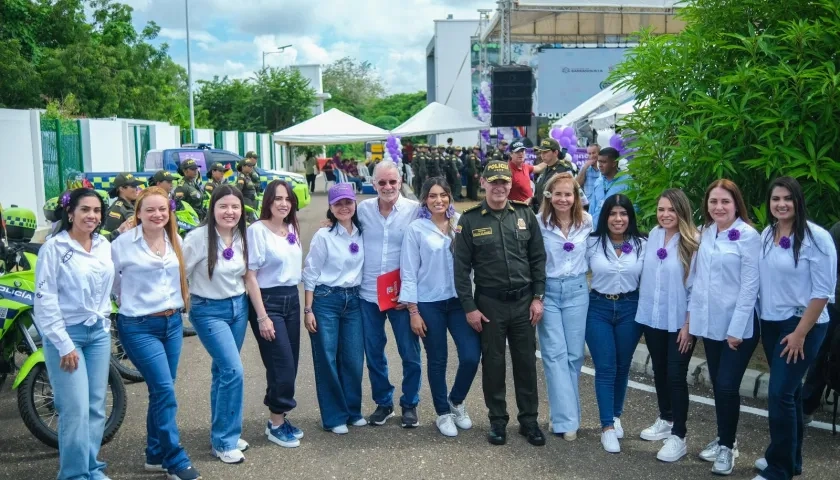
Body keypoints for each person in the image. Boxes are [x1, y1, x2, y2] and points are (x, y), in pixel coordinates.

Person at [453, 160, 547, 447]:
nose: (498, 187)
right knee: (493, 364)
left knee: (525, 364)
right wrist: (469, 307)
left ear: (510, 184)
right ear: (483, 183)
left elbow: (537, 259)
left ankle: (529, 421)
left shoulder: (525, 214)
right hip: (489, 305)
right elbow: (460, 269)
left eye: (503, 182)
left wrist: (538, 297)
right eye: (493, 181)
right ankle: (497, 421)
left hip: (523, 303)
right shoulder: (469, 220)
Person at [111, 186, 201, 480]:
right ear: (138, 213)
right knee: (164, 390)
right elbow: (111, 284)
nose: (157, 214)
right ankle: (175, 459)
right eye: (149, 209)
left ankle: (154, 454)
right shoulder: (122, 244)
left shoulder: (174, 239)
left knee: (160, 391)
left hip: (172, 323)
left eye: (162, 209)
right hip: (138, 326)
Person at [753, 177, 836, 480]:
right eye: (776, 199)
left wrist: (801, 332)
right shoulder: (766, 234)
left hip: (804, 324)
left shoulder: (818, 238)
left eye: (787, 198)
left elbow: (823, 291)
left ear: (798, 201)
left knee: (780, 395)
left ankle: (779, 469)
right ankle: (791, 459)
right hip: (773, 323)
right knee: (790, 391)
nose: (781, 204)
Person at [34, 188, 114, 480]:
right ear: (70, 213)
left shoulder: (104, 244)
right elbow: (45, 299)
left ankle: (90, 467)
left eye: (96, 211)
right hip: (66, 337)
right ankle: (73, 475)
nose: (92, 216)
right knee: (74, 409)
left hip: (99, 334)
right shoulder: (54, 248)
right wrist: (64, 344)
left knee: (95, 407)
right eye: (85, 210)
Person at [690, 179, 761, 475]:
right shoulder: (705, 233)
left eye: (725, 202)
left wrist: (736, 328)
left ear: (736, 204)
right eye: (713, 202)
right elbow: (697, 280)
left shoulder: (747, 235)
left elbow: (750, 287)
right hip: (710, 325)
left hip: (738, 328)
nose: (718, 207)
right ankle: (723, 436)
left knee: (728, 385)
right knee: (719, 385)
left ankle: (727, 448)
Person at [400, 177, 481, 437]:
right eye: (432, 196)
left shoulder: (461, 222)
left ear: (449, 196)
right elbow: (409, 272)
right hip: (429, 303)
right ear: (424, 199)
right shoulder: (416, 229)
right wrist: (413, 311)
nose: (439, 200)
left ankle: (455, 402)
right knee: (438, 360)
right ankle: (442, 413)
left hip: (459, 301)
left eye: (443, 195)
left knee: (470, 355)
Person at [182, 185, 251, 464]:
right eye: (223, 206)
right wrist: (180, 309)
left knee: (222, 371)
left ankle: (224, 433)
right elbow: (179, 274)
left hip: (239, 307)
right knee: (233, 370)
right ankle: (224, 441)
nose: (229, 212)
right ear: (212, 208)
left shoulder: (243, 236)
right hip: (209, 310)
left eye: (235, 207)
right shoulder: (198, 238)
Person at [635, 189, 700, 462]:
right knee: (659, 370)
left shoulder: (694, 242)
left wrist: (687, 325)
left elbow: (696, 288)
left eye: (671, 210)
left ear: (682, 211)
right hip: (654, 317)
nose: (665, 215)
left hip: (680, 321)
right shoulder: (654, 235)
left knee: (675, 375)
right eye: (661, 209)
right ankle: (666, 418)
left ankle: (679, 436)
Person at [356, 160, 423, 427]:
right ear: (374, 184)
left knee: (410, 353)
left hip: (400, 296)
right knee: (374, 353)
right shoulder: (362, 210)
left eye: (392, 182)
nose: (387, 187)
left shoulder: (415, 210)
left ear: (400, 181)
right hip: (368, 294)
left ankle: (410, 404)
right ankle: (384, 403)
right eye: (382, 182)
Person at [244, 181, 305, 448]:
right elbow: (250, 276)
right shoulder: (257, 230)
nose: (283, 203)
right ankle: (275, 423)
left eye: (287, 199)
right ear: (267, 201)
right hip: (268, 301)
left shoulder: (291, 228)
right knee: (282, 366)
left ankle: (278, 416)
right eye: (277, 198)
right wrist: (262, 316)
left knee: (289, 364)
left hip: (291, 297)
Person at [585, 193, 647, 454]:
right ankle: (607, 426)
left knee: (623, 366)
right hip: (598, 308)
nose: (618, 219)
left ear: (630, 217)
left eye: (623, 214)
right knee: (606, 367)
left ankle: (616, 415)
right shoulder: (592, 242)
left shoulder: (643, 243)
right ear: (605, 216)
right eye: (613, 213)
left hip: (630, 308)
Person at [302, 183, 366, 434]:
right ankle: (334, 416)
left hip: (354, 300)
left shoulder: (363, 232)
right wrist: (308, 310)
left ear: (355, 204)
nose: (344, 207)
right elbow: (310, 273)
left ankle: (353, 411)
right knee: (327, 358)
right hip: (326, 299)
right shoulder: (324, 236)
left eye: (348, 202)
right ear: (330, 207)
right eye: (338, 203)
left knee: (352, 358)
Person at [536, 172, 593, 440]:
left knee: (573, 356)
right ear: (549, 196)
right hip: (548, 290)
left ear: (575, 197)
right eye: (557, 193)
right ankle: (568, 421)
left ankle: (561, 414)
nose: (563, 199)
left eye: (568, 194)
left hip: (578, 290)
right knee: (554, 354)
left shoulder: (587, 223)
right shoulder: (538, 223)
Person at [801, 220, 840, 423]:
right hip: (835, 305)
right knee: (820, 355)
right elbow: (829, 269)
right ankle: (806, 407)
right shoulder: (838, 229)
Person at [533, 138, 579, 211]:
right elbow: (540, 192)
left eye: (545, 152)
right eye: (541, 152)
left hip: (556, 213)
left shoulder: (564, 170)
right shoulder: (545, 170)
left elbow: (574, 192)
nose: (542, 155)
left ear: (555, 153)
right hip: (541, 212)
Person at [588, 147, 630, 223]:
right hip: (596, 230)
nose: (600, 165)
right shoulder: (598, 182)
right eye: (599, 162)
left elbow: (633, 210)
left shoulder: (627, 182)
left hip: (616, 229)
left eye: (603, 162)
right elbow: (592, 208)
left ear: (614, 163)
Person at [103, 172, 142, 240]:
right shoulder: (116, 210)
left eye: (136, 186)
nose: (136, 189)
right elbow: (111, 237)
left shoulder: (136, 205)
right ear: (121, 189)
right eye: (133, 186)